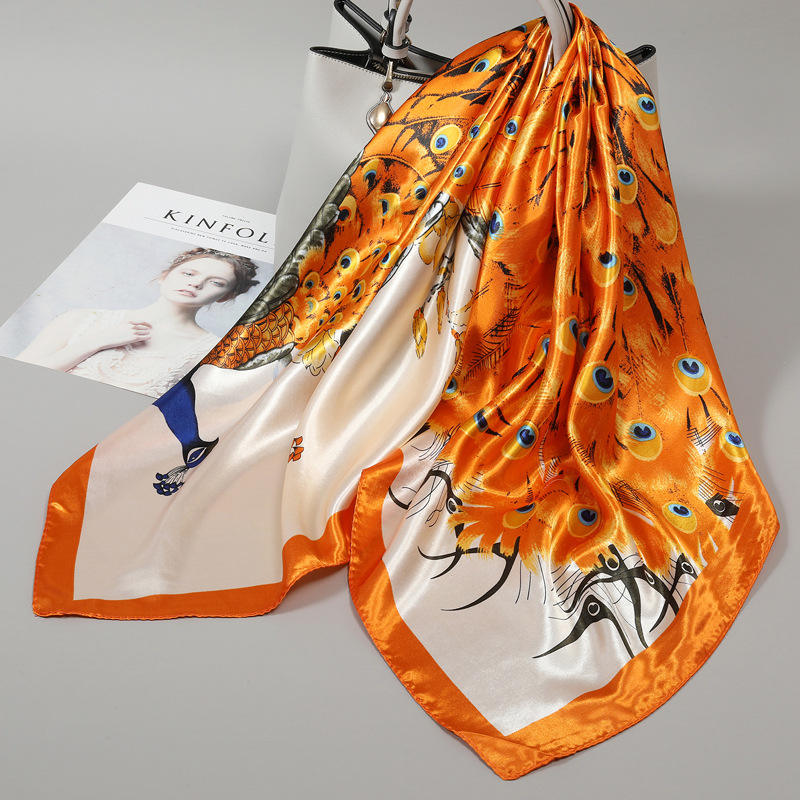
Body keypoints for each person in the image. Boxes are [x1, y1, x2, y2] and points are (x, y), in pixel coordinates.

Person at [17, 247, 259, 397]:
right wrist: (96, 341)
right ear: (165, 276)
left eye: (216, 282)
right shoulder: (80, 319)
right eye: (188, 273)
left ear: (226, 296)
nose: (196, 283)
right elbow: (18, 379)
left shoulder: (214, 352)